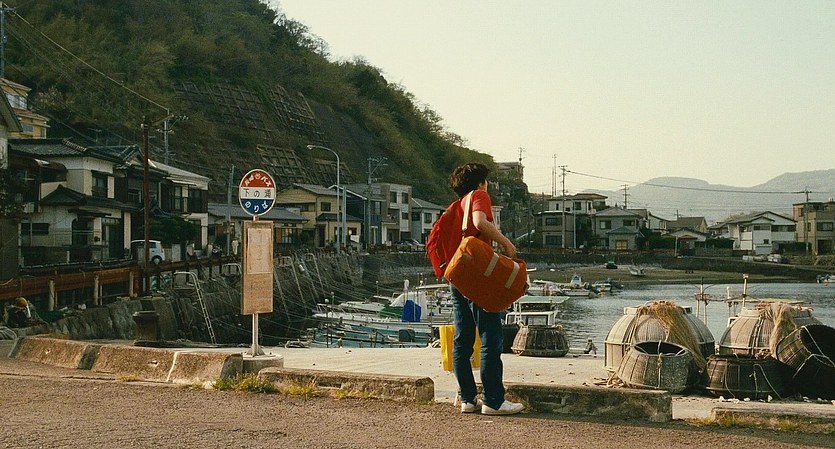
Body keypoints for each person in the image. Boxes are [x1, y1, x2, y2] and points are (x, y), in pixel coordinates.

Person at [445, 162, 524, 415]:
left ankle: (468, 399)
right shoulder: (479, 196)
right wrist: (506, 243)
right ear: (480, 183)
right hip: (477, 274)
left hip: (457, 274)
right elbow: (480, 222)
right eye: (486, 181)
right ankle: (493, 400)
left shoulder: (457, 206)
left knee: (463, 340)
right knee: (491, 336)